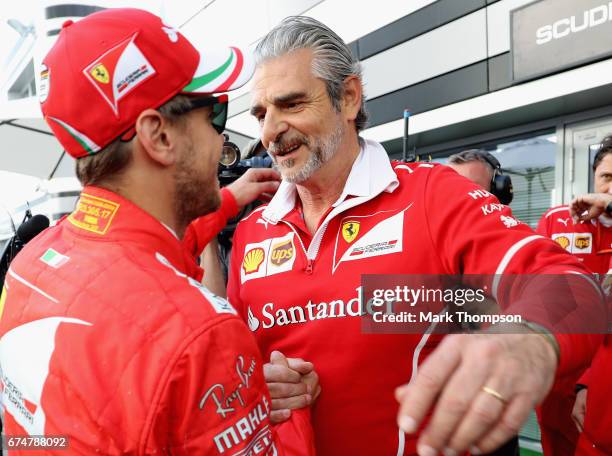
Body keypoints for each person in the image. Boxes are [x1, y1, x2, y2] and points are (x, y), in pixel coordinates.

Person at [225, 16, 604, 456]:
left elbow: (573, 289)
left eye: (290, 105)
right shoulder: (254, 230)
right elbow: (232, 364)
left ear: (348, 98)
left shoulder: (429, 194)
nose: (270, 131)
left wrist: (526, 341)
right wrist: (257, 383)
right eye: (261, 113)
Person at [0, 9, 314, 455]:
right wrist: (276, 408)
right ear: (159, 136)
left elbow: (143, 258)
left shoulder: (30, 263)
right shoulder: (200, 333)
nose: (222, 142)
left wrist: (228, 198)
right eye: (215, 116)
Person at [535, 138, 612, 456]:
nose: (610, 188)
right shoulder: (558, 220)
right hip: (559, 375)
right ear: (594, 176)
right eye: (607, 177)